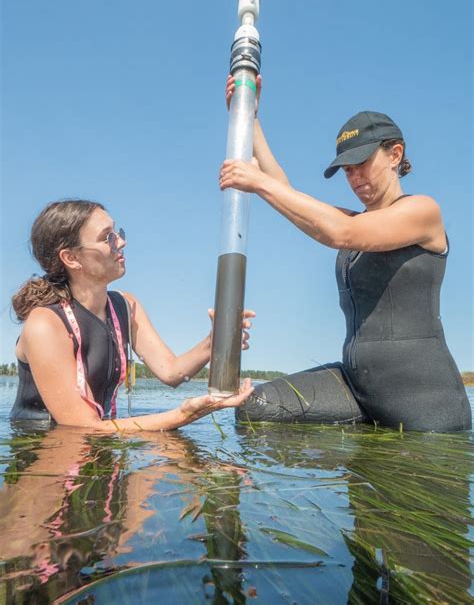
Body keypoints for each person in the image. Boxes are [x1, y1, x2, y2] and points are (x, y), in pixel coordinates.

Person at [221, 75, 471, 432]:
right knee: (257, 408)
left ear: (395, 154)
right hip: (357, 387)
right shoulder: (356, 220)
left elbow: (342, 233)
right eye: (347, 171)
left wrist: (257, 181)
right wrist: (251, 118)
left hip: (425, 407)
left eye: (361, 164)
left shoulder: (423, 212)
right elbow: (290, 196)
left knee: (405, 487)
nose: (354, 178)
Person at [11, 199, 255, 431]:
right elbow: (83, 427)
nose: (121, 242)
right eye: (107, 237)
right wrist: (183, 415)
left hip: (99, 438)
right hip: (44, 450)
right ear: (71, 258)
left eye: (117, 232)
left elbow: (171, 372)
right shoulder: (44, 324)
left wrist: (215, 341)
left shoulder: (126, 305)